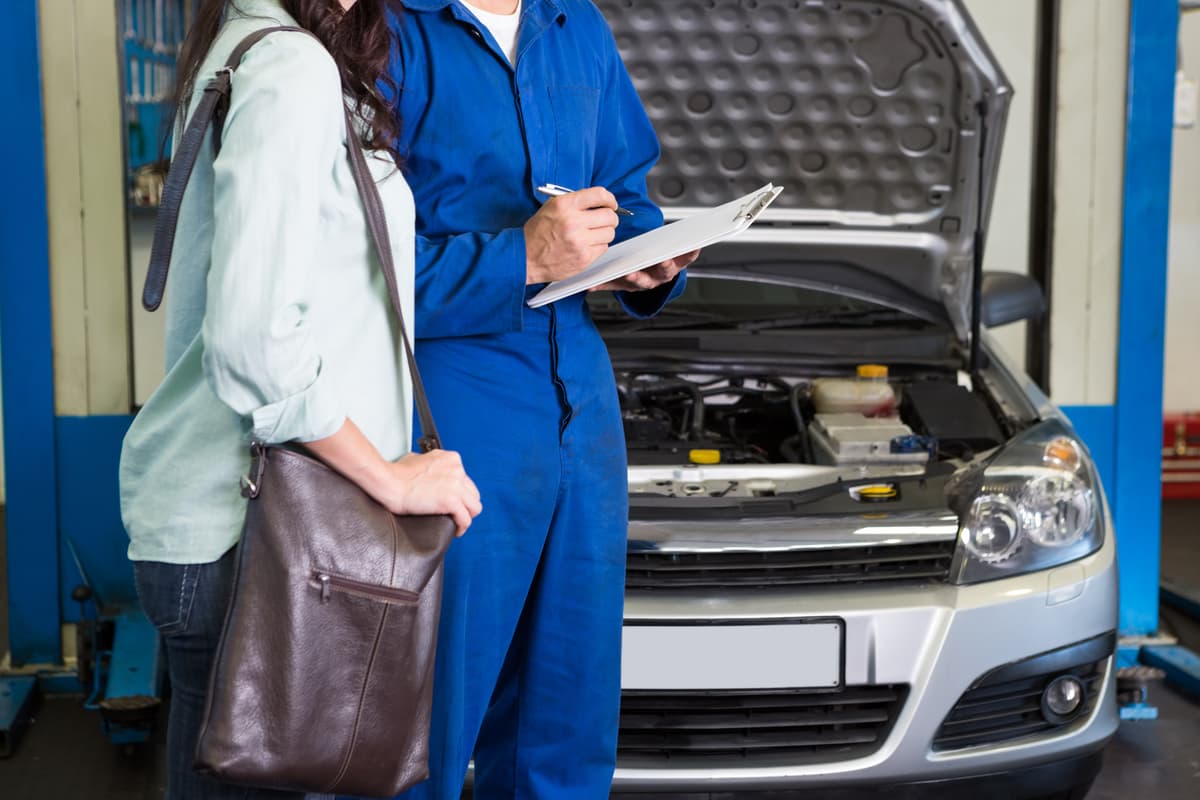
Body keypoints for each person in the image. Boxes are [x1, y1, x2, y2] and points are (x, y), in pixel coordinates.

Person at [119, 1, 481, 797]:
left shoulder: (255, 46)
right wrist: (389, 480)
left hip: (240, 527)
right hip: (250, 536)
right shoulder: (292, 68)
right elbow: (253, 341)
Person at [382, 2, 698, 797]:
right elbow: (353, 263)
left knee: (568, 706)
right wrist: (519, 257)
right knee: (425, 713)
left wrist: (643, 253)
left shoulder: (573, 24)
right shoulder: (387, 30)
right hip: (449, 396)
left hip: (579, 396)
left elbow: (624, 189)